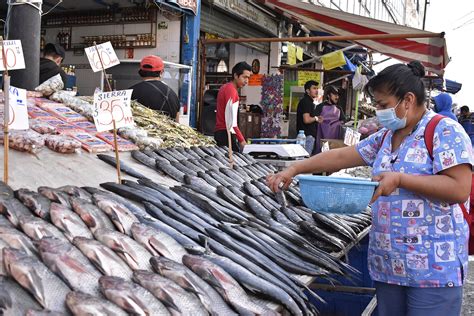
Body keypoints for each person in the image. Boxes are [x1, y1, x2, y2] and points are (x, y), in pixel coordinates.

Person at [268, 61, 473, 316]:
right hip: (389, 265)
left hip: (432, 269)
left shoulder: (444, 131)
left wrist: (400, 179)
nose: (378, 111)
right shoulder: (387, 135)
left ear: (407, 100)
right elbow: (343, 156)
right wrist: (295, 168)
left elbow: (459, 188)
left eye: (383, 105)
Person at [130, 55, 180, 122]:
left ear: (140, 72)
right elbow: (177, 122)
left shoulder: (130, 92)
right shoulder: (173, 95)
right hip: (165, 132)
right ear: (161, 72)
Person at [214, 61, 251, 152]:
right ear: (235, 75)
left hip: (221, 133)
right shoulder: (231, 91)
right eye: (244, 77)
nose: (246, 81)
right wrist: (242, 141)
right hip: (226, 134)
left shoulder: (225, 87)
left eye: (248, 78)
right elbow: (231, 122)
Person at [313, 85, 347, 154]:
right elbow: (314, 120)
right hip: (322, 138)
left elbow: (344, 121)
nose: (337, 97)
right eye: (334, 94)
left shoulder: (339, 108)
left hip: (335, 141)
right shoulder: (320, 107)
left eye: (338, 95)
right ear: (328, 95)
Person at [296, 80, 321, 155]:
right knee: (305, 159)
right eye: (314, 88)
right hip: (307, 137)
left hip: (306, 136)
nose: (316, 91)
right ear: (307, 90)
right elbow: (306, 120)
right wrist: (316, 118)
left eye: (317, 88)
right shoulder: (306, 102)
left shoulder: (309, 102)